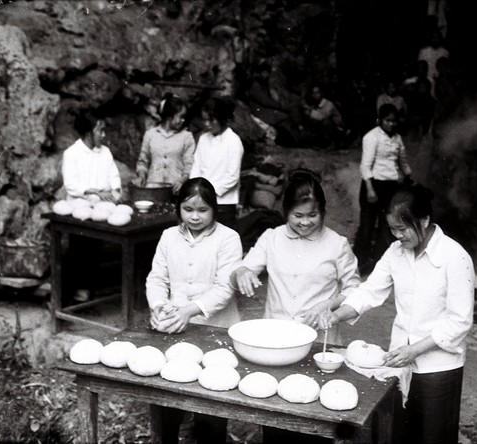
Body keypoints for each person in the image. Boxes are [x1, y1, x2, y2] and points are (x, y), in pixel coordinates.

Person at [322, 183, 475, 444]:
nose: (397, 236)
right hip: (399, 360)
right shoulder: (396, 252)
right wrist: (336, 315)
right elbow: (370, 290)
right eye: (392, 229)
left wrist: (414, 350)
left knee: (432, 436)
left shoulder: (455, 257)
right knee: (399, 434)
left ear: (424, 220)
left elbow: (460, 321)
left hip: (438, 367)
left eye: (402, 229)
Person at [145, 177, 242, 444]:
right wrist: (158, 306)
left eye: (203, 210)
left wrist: (190, 311)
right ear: (179, 209)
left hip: (216, 329)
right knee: (169, 395)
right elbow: (156, 279)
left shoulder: (228, 238)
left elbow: (225, 287)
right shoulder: (168, 237)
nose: (195, 217)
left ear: (215, 209)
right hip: (175, 326)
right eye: (188, 210)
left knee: (210, 399)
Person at [230, 168, 360, 346]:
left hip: (319, 338)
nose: (305, 222)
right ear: (285, 211)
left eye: (312, 215)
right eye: (298, 216)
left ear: (323, 211)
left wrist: (329, 304)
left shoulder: (337, 244)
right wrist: (242, 272)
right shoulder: (272, 237)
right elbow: (242, 270)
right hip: (275, 334)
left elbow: (354, 290)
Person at [61, 109, 122, 302]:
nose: (103, 135)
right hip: (80, 209)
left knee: (95, 252)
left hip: (101, 209)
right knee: (79, 252)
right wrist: (95, 192)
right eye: (100, 131)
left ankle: (88, 294)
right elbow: (71, 185)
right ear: (88, 132)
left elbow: (114, 178)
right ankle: (74, 295)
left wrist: (115, 192)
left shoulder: (105, 153)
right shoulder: (71, 153)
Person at [353, 103, 413, 274]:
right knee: (367, 225)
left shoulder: (397, 139)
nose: (391, 124)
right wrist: (370, 190)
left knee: (386, 225)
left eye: (394, 121)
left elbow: (402, 162)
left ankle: (379, 264)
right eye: (388, 121)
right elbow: (365, 166)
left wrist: (409, 176)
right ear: (380, 120)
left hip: (391, 187)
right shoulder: (371, 137)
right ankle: (359, 263)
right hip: (373, 185)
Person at [190, 97, 244, 230]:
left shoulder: (233, 142)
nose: (207, 124)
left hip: (223, 204)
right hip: (201, 199)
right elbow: (196, 166)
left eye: (211, 119)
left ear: (222, 118)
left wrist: (209, 192)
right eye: (205, 120)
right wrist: (195, 189)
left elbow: (232, 177)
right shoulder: (203, 139)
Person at [135, 93, 195, 194]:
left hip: (176, 190)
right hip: (153, 189)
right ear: (170, 115)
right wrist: (141, 176)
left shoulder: (187, 137)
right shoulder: (150, 134)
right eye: (180, 116)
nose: (183, 120)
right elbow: (142, 161)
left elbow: (190, 165)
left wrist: (182, 181)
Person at [300, 84, 345, 149]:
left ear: (321, 93)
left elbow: (322, 116)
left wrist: (309, 110)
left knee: (325, 122)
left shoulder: (328, 104)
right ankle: (321, 142)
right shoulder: (315, 105)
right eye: (313, 93)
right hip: (326, 130)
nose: (315, 95)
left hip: (337, 130)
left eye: (317, 93)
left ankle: (335, 142)